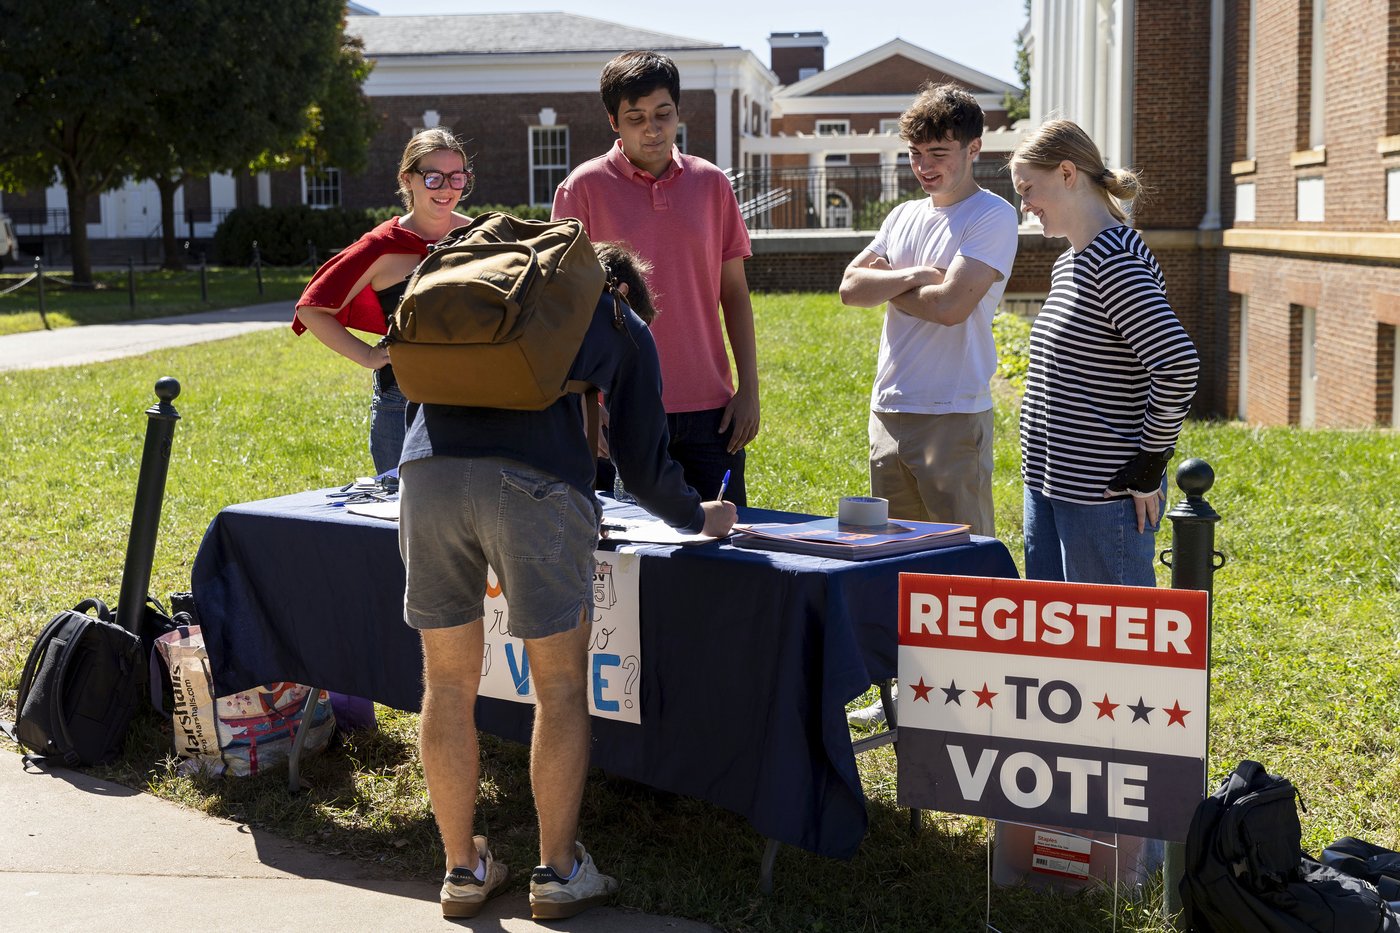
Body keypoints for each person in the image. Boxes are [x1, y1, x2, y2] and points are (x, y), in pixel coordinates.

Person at [397, 265, 737, 920]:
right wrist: (701, 516)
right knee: (556, 686)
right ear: (631, 292)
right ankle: (558, 871)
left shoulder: (489, 294)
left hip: (426, 474)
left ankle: (461, 870)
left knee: (445, 683)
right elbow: (642, 467)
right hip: (533, 481)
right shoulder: (621, 321)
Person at [838, 82, 1018, 728]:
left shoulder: (992, 217)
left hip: (953, 413)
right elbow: (849, 287)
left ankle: (975, 701)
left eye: (939, 151)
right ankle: (903, 696)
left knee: (961, 568)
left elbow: (951, 307)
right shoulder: (905, 218)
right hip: (890, 408)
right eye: (916, 153)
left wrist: (900, 287)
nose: (925, 165)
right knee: (896, 568)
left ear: (974, 148)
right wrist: (914, 277)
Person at [552, 49, 760, 505]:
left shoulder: (712, 184)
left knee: (723, 558)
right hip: (617, 405)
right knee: (624, 565)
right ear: (614, 122)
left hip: (712, 411)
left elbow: (735, 293)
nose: (652, 128)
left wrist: (749, 390)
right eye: (636, 117)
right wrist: (585, 407)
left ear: (678, 111)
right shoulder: (581, 189)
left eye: (663, 114)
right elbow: (563, 311)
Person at [1009, 119, 1199, 587]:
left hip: (1100, 497)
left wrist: (1149, 465)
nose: (1025, 204)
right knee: (1055, 652)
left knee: (1109, 654)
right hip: (1051, 487)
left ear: (1068, 173)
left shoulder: (1113, 260)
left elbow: (1176, 363)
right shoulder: (1071, 261)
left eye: (1029, 188)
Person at [292, 128, 473, 474]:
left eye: (456, 177)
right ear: (408, 179)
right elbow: (312, 309)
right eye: (433, 177)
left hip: (471, 395)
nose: (447, 189)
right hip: (401, 399)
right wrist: (368, 355)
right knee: (400, 512)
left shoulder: (480, 235)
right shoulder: (382, 245)